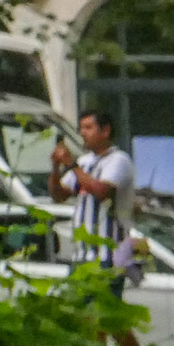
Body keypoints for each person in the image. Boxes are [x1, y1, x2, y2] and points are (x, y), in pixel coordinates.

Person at [49, 110, 138, 275]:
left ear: (105, 131)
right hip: (81, 256)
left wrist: (70, 164)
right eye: (81, 128)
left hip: (109, 257)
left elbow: (101, 191)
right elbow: (59, 195)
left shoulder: (119, 160)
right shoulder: (84, 162)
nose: (83, 133)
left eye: (88, 127)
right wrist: (55, 167)